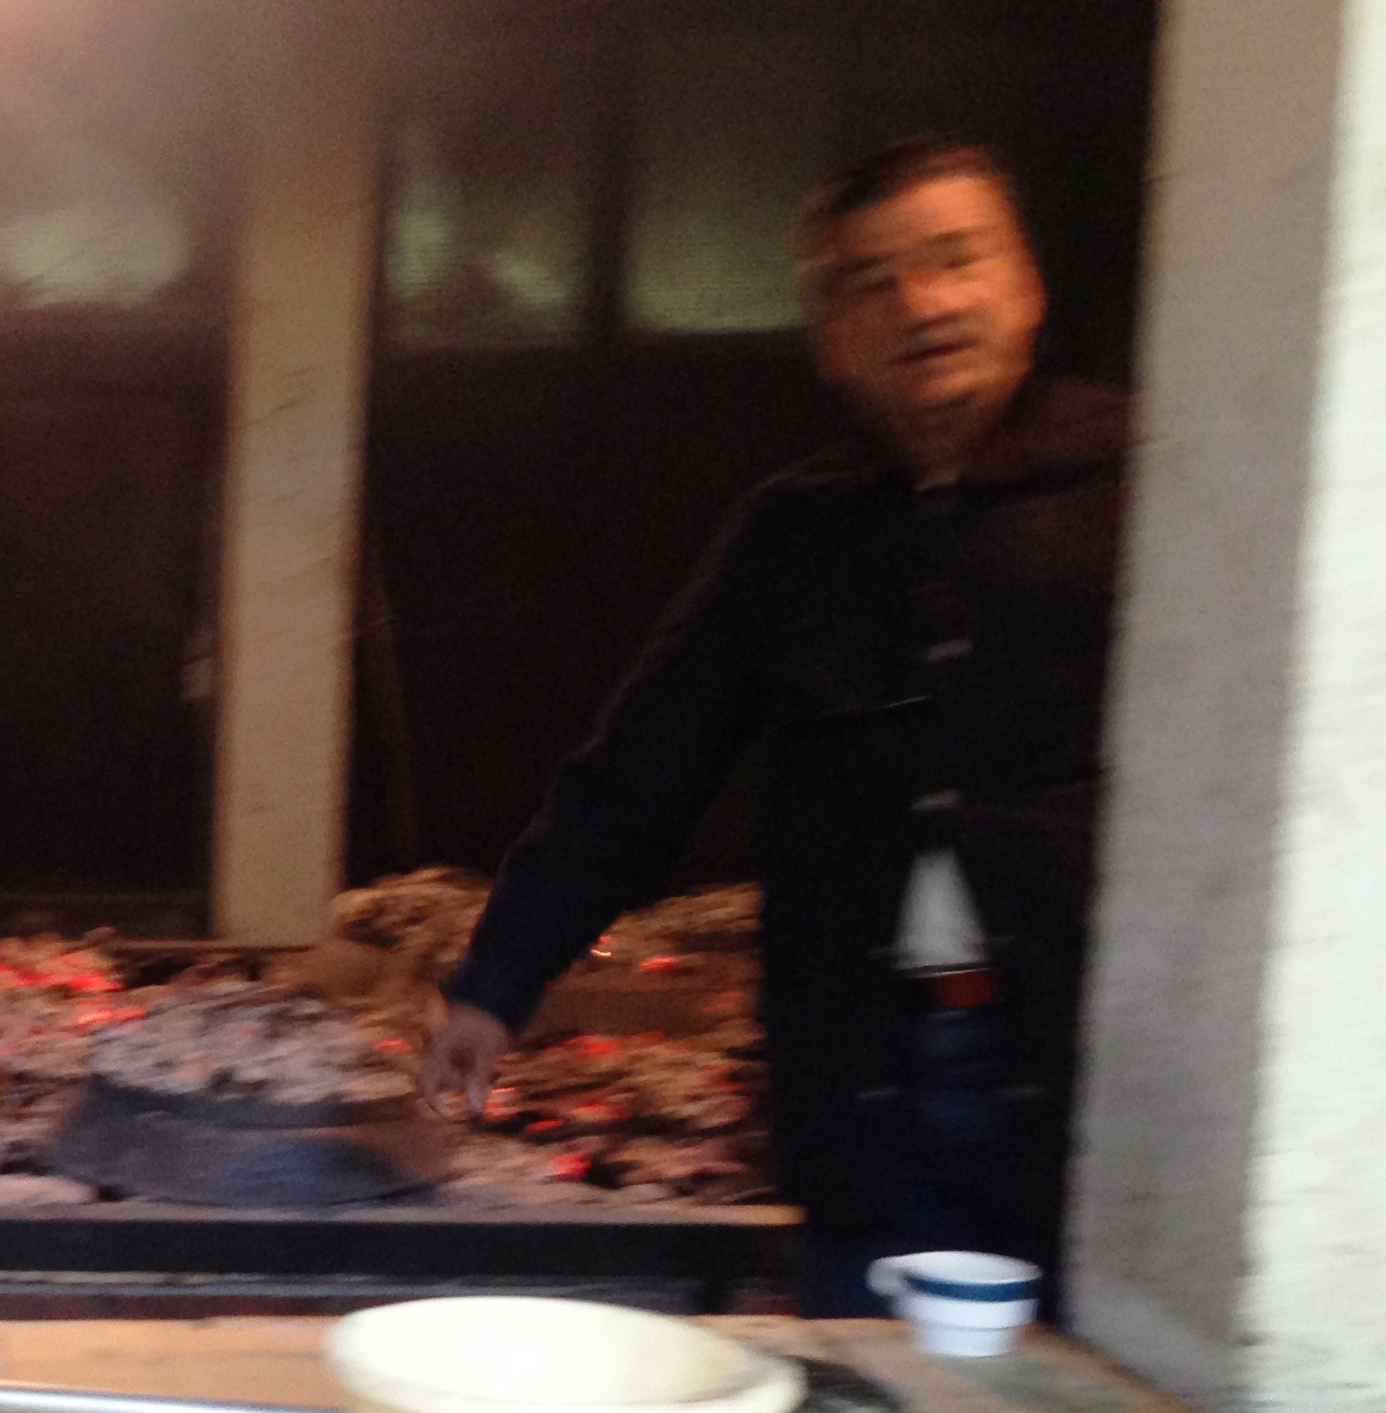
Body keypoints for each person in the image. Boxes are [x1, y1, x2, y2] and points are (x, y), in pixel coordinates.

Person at [416, 137, 1127, 1314]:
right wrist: (497, 982)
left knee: (1100, 1388)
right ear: (832, 342)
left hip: (1092, 1069)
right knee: (868, 1382)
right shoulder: (795, 534)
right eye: (872, 282)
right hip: (866, 1072)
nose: (923, 305)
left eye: (957, 259)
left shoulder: (1143, 484)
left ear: (1028, 284)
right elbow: (641, 770)